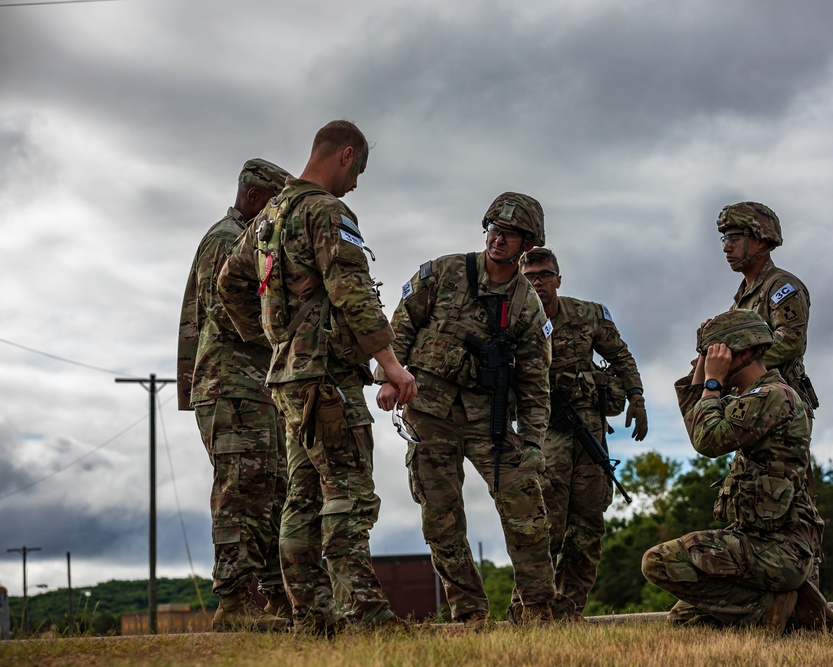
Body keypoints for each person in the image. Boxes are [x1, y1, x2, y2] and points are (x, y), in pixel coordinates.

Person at [217, 120, 417, 636]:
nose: (355, 184)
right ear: (345, 154)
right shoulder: (326, 210)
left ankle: (312, 617)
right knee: (349, 491)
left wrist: (273, 341)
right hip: (326, 378)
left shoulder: (268, 217)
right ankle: (367, 616)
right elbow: (352, 290)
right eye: (359, 171)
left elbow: (229, 282)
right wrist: (391, 365)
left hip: (287, 379)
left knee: (303, 497)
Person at [374, 193, 556, 627]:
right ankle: (470, 612)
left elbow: (535, 382)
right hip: (428, 411)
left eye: (510, 234)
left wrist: (532, 442)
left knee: (525, 506)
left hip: (486, 417)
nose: (498, 238)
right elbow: (400, 326)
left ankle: (538, 607)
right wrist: (387, 376)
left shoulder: (527, 305)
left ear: (526, 244)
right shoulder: (444, 271)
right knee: (441, 518)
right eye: (494, 227)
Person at [641, 310, 833, 633]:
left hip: (779, 550)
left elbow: (707, 441)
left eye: (719, 353)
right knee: (687, 620)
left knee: (658, 562)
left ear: (744, 353)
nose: (711, 361)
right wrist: (704, 371)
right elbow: (700, 427)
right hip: (759, 543)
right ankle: (795, 611)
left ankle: (770, 608)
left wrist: (712, 382)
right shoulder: (755, 396)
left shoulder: (771, 397)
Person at [177, 158, 292, 631]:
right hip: (231, 386)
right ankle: (233, 604)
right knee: (240, 492)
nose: (281, 220)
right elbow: (227, 314)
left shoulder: (242, 238)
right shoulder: (228, 240)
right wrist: (290, 336)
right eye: (277, 208)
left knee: (269, 490)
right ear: (255, 198)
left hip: (250, 387)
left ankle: (278, 598)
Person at [519, 247, 646, 620]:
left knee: (589, 524)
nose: (538, 283)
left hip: (589, 430)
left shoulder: (588, 314)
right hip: (544, 432)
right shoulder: (515, 319)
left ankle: (570, 609)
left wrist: (636, 397)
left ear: (559, 278)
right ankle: (530, 608)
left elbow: (621, 355)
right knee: (545, 524)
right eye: (530, 278)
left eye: (544, 275)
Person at [717, 202, 819, 413]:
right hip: (750, 408)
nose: (726, 247)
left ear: (761, 241)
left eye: (734, 239)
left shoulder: (781, 287)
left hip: (782, 411)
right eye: (725, 239)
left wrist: (735, 367)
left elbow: (792, 341)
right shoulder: (741, 299)